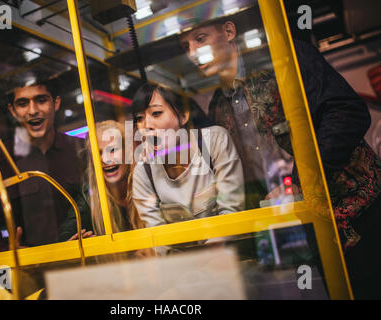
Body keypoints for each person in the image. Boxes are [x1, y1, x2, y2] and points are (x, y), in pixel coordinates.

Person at [179, 17, 381, 299]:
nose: (191, 53)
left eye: (200, 39)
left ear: (228, 31)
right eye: (185, 45)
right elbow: (246, 175)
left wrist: (300, 180)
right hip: (298, 236)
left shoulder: (284, 59)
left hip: (358, 214)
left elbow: (347, 112)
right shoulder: (218, 105)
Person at [0, 78, 92, 254]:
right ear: (12, 111)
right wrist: (8, 251)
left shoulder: (81, 150)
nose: (33, 110)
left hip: (85, 260)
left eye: (41, 100)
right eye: (22, 104)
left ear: (56, 103)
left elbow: (103, 205)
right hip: (28, 271)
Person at [131, 83, 245, 230]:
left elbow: (232, 212)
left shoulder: (213, 140)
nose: (146, 125)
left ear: (183, 116)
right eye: (139, 118)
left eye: (156, 113)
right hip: (181, 253)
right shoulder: (144, 170)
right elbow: (157, 236)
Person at [58, 120, 147, 240]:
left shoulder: (149, 187)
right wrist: (71, 245)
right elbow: (66, 234)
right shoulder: (89, 200)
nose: (105, 159)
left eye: (112, 150)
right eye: (98, 153)